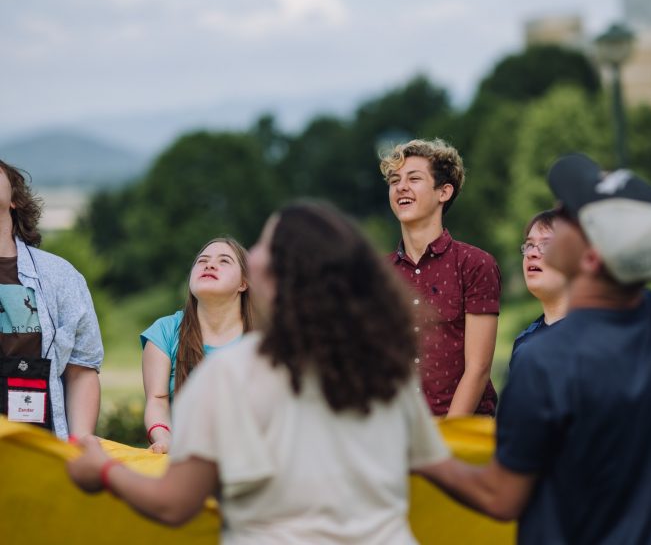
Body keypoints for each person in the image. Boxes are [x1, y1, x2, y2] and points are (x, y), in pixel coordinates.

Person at [68, 201, 451, 544]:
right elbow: (481, 489)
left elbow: (174, 504)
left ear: (256, 279)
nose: (211, 264)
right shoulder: (383, 371)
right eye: (202, 259)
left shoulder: (245, 363)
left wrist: (104, 471)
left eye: (232, 258)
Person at [417, 154, 651, 544]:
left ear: (592, 258)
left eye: (569, 216)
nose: (556, 213)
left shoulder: (545, 359)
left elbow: (502, 497)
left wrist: (421, 450)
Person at [380, 138, 501, 417]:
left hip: (465, 436)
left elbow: (478, 367)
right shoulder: (378, 276)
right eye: (394, 180)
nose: (401, 187)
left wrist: (445, 439)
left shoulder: (475, 264)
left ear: (444, 192)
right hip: (402, 439)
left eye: (414, 178)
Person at [0, 160, 103, 440]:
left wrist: (79, 442)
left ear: (15, 199)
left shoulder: (60, 276)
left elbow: (81, 368)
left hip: (37, 449)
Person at [140, 237, 253, 453]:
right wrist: (165, 439)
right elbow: (157, 401)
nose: (210, 265)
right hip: (186, 459)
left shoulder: (264, 337)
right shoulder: (164, 332)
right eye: (202, 261)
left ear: (243, 283)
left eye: (224, 261)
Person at [509, 209, 568, 369]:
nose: (532, 253)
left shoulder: (599, 337)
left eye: (546, 245)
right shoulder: (524, 344)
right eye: (529, 245)